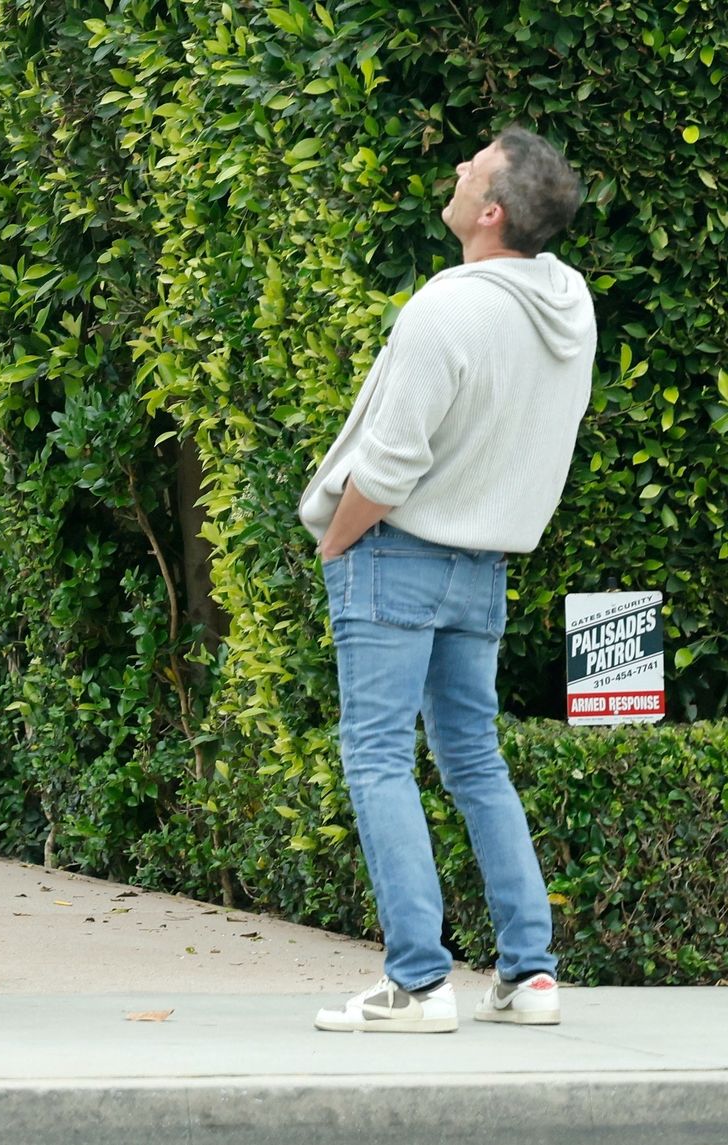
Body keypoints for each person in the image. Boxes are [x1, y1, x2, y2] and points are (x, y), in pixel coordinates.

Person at [298, 126, 595, 1033]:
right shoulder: (570, 301)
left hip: (397, 550)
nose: (457, 172)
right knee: (473, 757)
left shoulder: (444, 308)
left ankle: (420, 982)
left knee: (378, 758)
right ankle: (530, 973)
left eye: (472, 170)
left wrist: (334, 542)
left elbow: (386, 468)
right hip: (485, 564)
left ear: (491, 211)